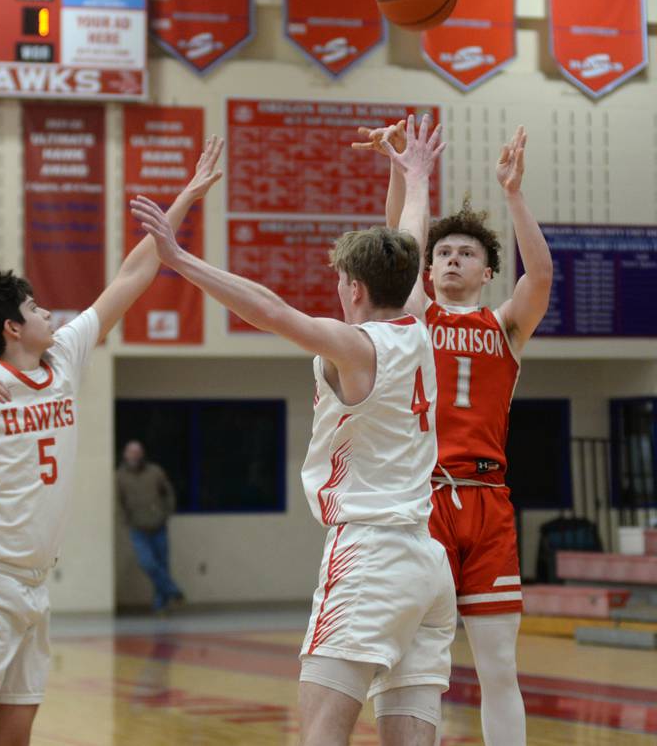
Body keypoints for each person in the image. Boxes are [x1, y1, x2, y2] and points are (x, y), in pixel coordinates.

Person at [0, 138, 223, 746]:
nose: (48, 309)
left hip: (34, 582)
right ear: (11, 327)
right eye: (34, 306)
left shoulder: (64, 358)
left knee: (15, 737)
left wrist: (185, 198)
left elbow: (132, 275)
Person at [130, 125, 456, 746]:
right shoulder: (417, 324)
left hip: (370, 557)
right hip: (426, 561)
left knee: (320, 736)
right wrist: (413, 175)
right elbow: (410, 239)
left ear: (353, 290)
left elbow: (271, 310)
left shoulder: (357, 346)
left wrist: (179, 259)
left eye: (339, 283)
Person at [355, 115, 553, 746]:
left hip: (488, 503)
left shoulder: (505, 328)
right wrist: (400, 170)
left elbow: (542, 278)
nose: (450, 259)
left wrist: (514, 195)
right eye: (442, 252)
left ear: (487, 271)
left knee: (499, 667)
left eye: (466, 253)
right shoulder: (417, 316)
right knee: (414, 663)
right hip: (425, 501)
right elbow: (396, 243)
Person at [117, 438, 184, 613]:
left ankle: (160, 605)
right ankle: (173, 590)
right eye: (131, 452)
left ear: (142, 454)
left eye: (137, 451)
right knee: (148, 563)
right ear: (125, 454)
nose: (134, 455)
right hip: (138, 528)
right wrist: (126, 520)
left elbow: (168, 493)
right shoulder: (121, 476)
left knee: (162, 564)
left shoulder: (155, 472)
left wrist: (166, 514)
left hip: (158, 526)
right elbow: (119, 501)